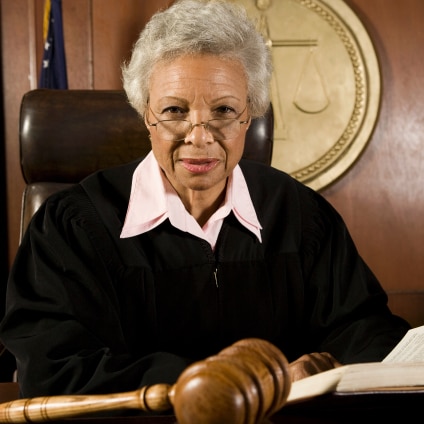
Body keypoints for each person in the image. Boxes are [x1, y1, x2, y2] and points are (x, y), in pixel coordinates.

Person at [0, 0, 409, 405]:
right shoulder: (70, 228)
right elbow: (54, 371)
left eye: (224, 110)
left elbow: (365, 331)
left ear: (251, 114)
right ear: (147, 115)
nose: (199, 136)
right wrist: (237, 383)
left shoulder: (301, 216)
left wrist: (329, 366)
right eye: (175, 110)